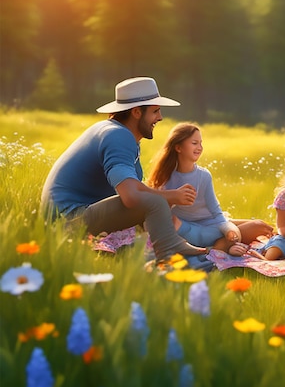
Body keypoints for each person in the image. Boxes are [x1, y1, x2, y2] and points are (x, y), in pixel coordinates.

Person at [40, 77, 209, 262]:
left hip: (76, 216)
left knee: (160, 207)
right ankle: (169, 253)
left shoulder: (116, 132)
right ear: (137, 112)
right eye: (155, 111)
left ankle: (189, 239)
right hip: (68, 222)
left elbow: (133, 188)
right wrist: (170, 196)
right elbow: (131, 197)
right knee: (155, 203)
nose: (160, 117)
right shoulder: (118, 136)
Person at [146, 122, 274, 256]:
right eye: (194, 143)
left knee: (260, 225)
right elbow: (157, 208)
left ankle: (220, 246)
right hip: (186, 228)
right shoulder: (165, 176)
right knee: (254, 228)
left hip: (211, 225)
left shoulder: (204, 175)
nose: (199, 148)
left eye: (201, 143)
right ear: (178, 147)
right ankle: (216, 250)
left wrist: (228, 229)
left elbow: (216, 212)